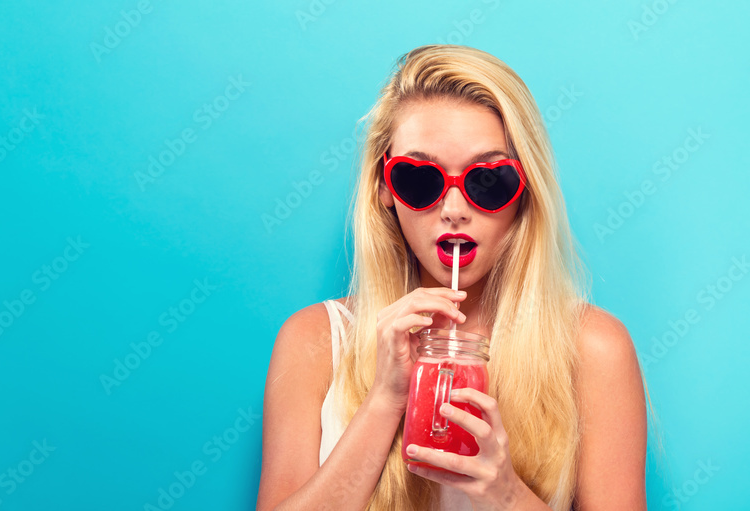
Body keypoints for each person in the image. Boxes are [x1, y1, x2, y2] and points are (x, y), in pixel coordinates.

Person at [256, 45, 648, 510]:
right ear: (384, 186)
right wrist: (384, 401)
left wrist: (506, 493)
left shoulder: (593, 349)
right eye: (420, 178)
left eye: (488, 180)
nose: (454, 211)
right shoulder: (315, 342)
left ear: (525, 191)